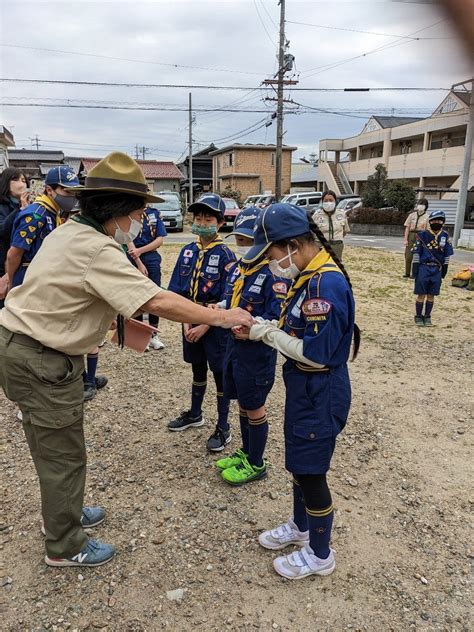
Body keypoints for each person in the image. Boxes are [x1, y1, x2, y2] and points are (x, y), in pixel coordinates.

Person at [0, 152, 252, 569]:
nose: (139, 221)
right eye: (137, 212)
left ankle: (63, 512)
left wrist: (113, 325)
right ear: (117, 212)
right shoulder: (99, 248)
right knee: (62, 452)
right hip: (40, 358)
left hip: (22, 346)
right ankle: (63, 543)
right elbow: (156, 299)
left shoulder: (68, 233)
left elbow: (74, 294)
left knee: (54, 445)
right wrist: (221, 316)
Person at [233, 203, 359, 580]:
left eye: (271, 252)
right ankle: (300, 527)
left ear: (291, 245)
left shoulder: (325, 283)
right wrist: (266, 323)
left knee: (312, 472)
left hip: (319, 389)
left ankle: (320, 553)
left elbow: (317, 355)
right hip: (304, 387)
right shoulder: (308, 275)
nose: (271, 261)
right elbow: (298, 329)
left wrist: (265, 333)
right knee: (299, 465)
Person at [214, 207, 289, 485]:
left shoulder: (274, 275)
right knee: (243, 404)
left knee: (255, 406)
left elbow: (277, 317)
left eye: (250, 242)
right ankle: (246, 452)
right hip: (234, 349)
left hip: (256, 353)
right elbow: (231, 300)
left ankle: (256, 463)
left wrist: (254, 330)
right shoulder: (239, 270)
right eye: (240, 241)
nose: (244, 247)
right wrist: (219, 308)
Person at [167, 194, 237, 451]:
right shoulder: (187, 251)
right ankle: (195, 414)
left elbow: (229, 297)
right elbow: (176, 290)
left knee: (220, 374)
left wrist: (204, 324)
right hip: (189, 323)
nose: (202, 222)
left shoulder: (227, 255)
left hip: (215, 327)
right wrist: (186, 321)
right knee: (197, 369)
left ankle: (223, 425)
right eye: (198, 218)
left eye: (208, 219)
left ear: (219, 223)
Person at [5, 165, 79, 290]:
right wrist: (11, 282)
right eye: (67, 191)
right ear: (49, 190)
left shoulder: (53, 212)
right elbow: (14, 254)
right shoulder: (36, 215)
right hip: (28, 280)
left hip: (43, 278)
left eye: (75, 192)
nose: (72, 197)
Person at [127, 204, 167, 350]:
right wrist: (138, 260)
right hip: (132, 257)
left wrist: (141, 251)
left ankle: (153, 334)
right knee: (137, 295)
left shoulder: (154, 213)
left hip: (150, 256)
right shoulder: (129, 211)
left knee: (154, 294)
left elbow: (160, 239)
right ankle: (139, 335)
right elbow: (127, 237)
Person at [412, 210, 453, 326]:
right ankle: (418, 316)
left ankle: (428, 316)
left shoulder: (445, 236)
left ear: (443, 223)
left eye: (439, 220)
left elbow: (447, 254)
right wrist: (415, 269)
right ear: (430, 222)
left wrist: (445, 268)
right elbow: (416, 253)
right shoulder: (422, 235)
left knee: (431, 295)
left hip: (437, 270)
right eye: (434, 220)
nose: (437, 222)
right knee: (421, 294)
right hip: (424, 268)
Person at [0, 168, 29, 307]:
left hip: (17, 268)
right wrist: (21, 210)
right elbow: (3, 230)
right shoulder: (3, 206)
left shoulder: (29, 205)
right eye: (16, 179)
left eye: (24, 180)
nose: (21, 184)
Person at [311, 190, 350, 261]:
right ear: (322, 202)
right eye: (326, 200)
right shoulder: (317, 215)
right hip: (321, 246)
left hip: (337, 246)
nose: (328, 202)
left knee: (336, 267)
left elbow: (345, 231)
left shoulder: (341, 214)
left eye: (331, 200)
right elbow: (311, 232)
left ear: (335, 201)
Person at [403, 198, 429, 278]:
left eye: (423, 204)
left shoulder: (427, 217)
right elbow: (407, 227)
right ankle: (407, 273)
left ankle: (415, 274)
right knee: (408, 255)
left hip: (421, 235)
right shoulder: (412, 215)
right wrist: (405, 239)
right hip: (411, 234)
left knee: (418, 256)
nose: (420, 206)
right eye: (419, 204)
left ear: (426, 206)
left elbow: (427, 230)